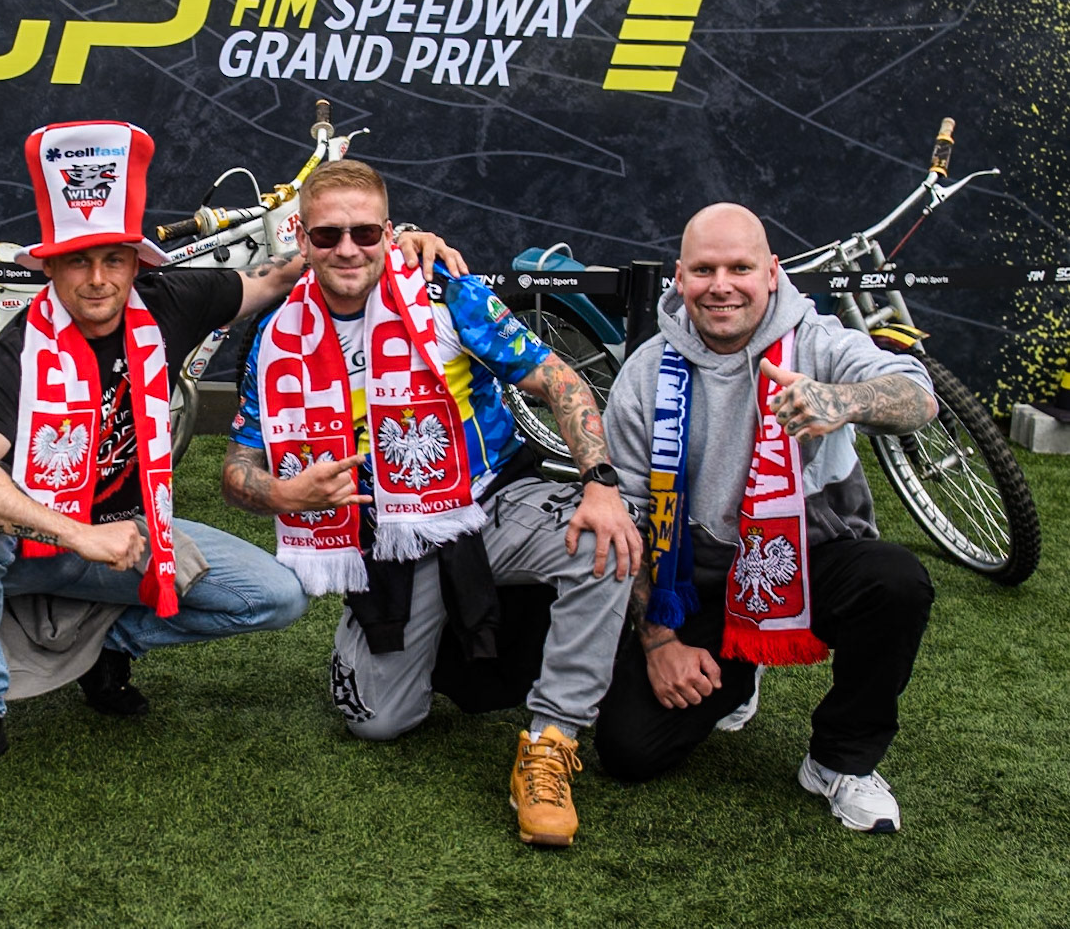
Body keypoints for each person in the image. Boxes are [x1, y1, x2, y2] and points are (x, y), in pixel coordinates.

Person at [0, 119, 464, 787]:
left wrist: (402, 240)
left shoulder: (170, 302)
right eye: (77, 262)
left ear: (137, 263)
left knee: (276, 597)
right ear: (52, 268)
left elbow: (299, 268)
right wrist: (77, 534)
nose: (97, 280)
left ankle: (103, 649)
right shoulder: (19, 350)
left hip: (132, 535)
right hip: (37, 541)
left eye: (113, 260)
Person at [221, 160, 639, 849]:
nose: (347, 249)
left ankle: (550, 739)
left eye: (364, 232)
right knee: (375, 721)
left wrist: (599, 481)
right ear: (302, 238)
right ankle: (429, 636)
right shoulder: (275, 332)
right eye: (327, 235)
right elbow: (238, 466)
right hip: (388, 537)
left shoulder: (445, 293)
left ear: (389, 233)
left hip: (489, 504)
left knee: (601, 540)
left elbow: (557, 378)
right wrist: (283, 493)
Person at [594, 203, 937, 834]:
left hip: (809, 558)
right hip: (695, 579)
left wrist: (842, 400)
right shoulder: (644, 374)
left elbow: (918, 396)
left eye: (740, 268)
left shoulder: (816, 340)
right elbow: (630, 519)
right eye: (704, 270)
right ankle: (738, 669)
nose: (721, 285)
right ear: (679, 277)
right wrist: (660, 643)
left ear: (772, 272)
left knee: (895, 582)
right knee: (628, 749)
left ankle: (840, 760)